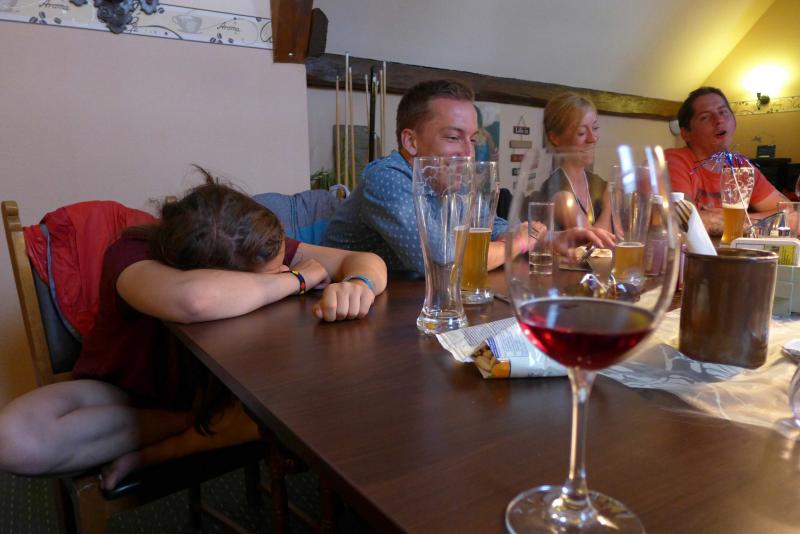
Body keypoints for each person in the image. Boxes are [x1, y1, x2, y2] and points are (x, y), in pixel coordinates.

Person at [0, 173, 387, 490]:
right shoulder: (131, 253)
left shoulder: (254, 244)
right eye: (273, 274)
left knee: (304, 405)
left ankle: (166, 447)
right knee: (13, 440)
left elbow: (365, 261)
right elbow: (195, 300)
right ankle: (195, 424)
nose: (284, 268)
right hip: (126, 391)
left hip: (224, 389)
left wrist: (360, 284)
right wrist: (297, 279)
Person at [323, 80, 613, 276]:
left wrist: (550, 240)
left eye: (472, 140)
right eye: (453, 137)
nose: (468, 153)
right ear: (411, 142)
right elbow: (440, 259)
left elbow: (491, 226)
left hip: (411, 304)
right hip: (340, 312)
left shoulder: (450, 181)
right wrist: (519, 244)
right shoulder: (386, 178)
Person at [666, 87, 787, 236]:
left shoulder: (741, 167)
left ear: (734, 121)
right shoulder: (675, 161)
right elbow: (679, 221)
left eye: (723, 112)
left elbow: (794, 215)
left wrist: (737, 220)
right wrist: (758, 222)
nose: (719, 120)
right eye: (705, 117)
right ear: (686, 133)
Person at [538, 92, 613, 233]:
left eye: (595, 128)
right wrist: (609, 206)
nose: (593, 138)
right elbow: (594, 243)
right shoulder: (558, 193)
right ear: (555, 138)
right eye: (581, 132)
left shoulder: (598, 183)